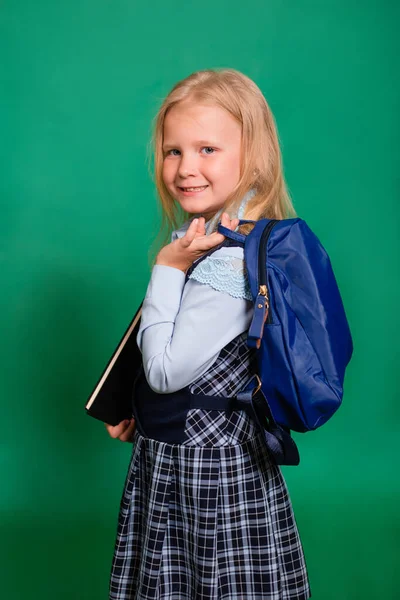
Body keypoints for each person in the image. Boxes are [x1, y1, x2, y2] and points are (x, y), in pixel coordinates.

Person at [105, 68, 311, 600]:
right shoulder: (210, 236)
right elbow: (191, 362)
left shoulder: (228, 260)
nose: (185, 168)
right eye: (173, 151)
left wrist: (168, 268)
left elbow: (167, 370)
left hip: (208, 474)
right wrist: (139, 406)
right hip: (178, 452)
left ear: (253, 156)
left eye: (207, 150)